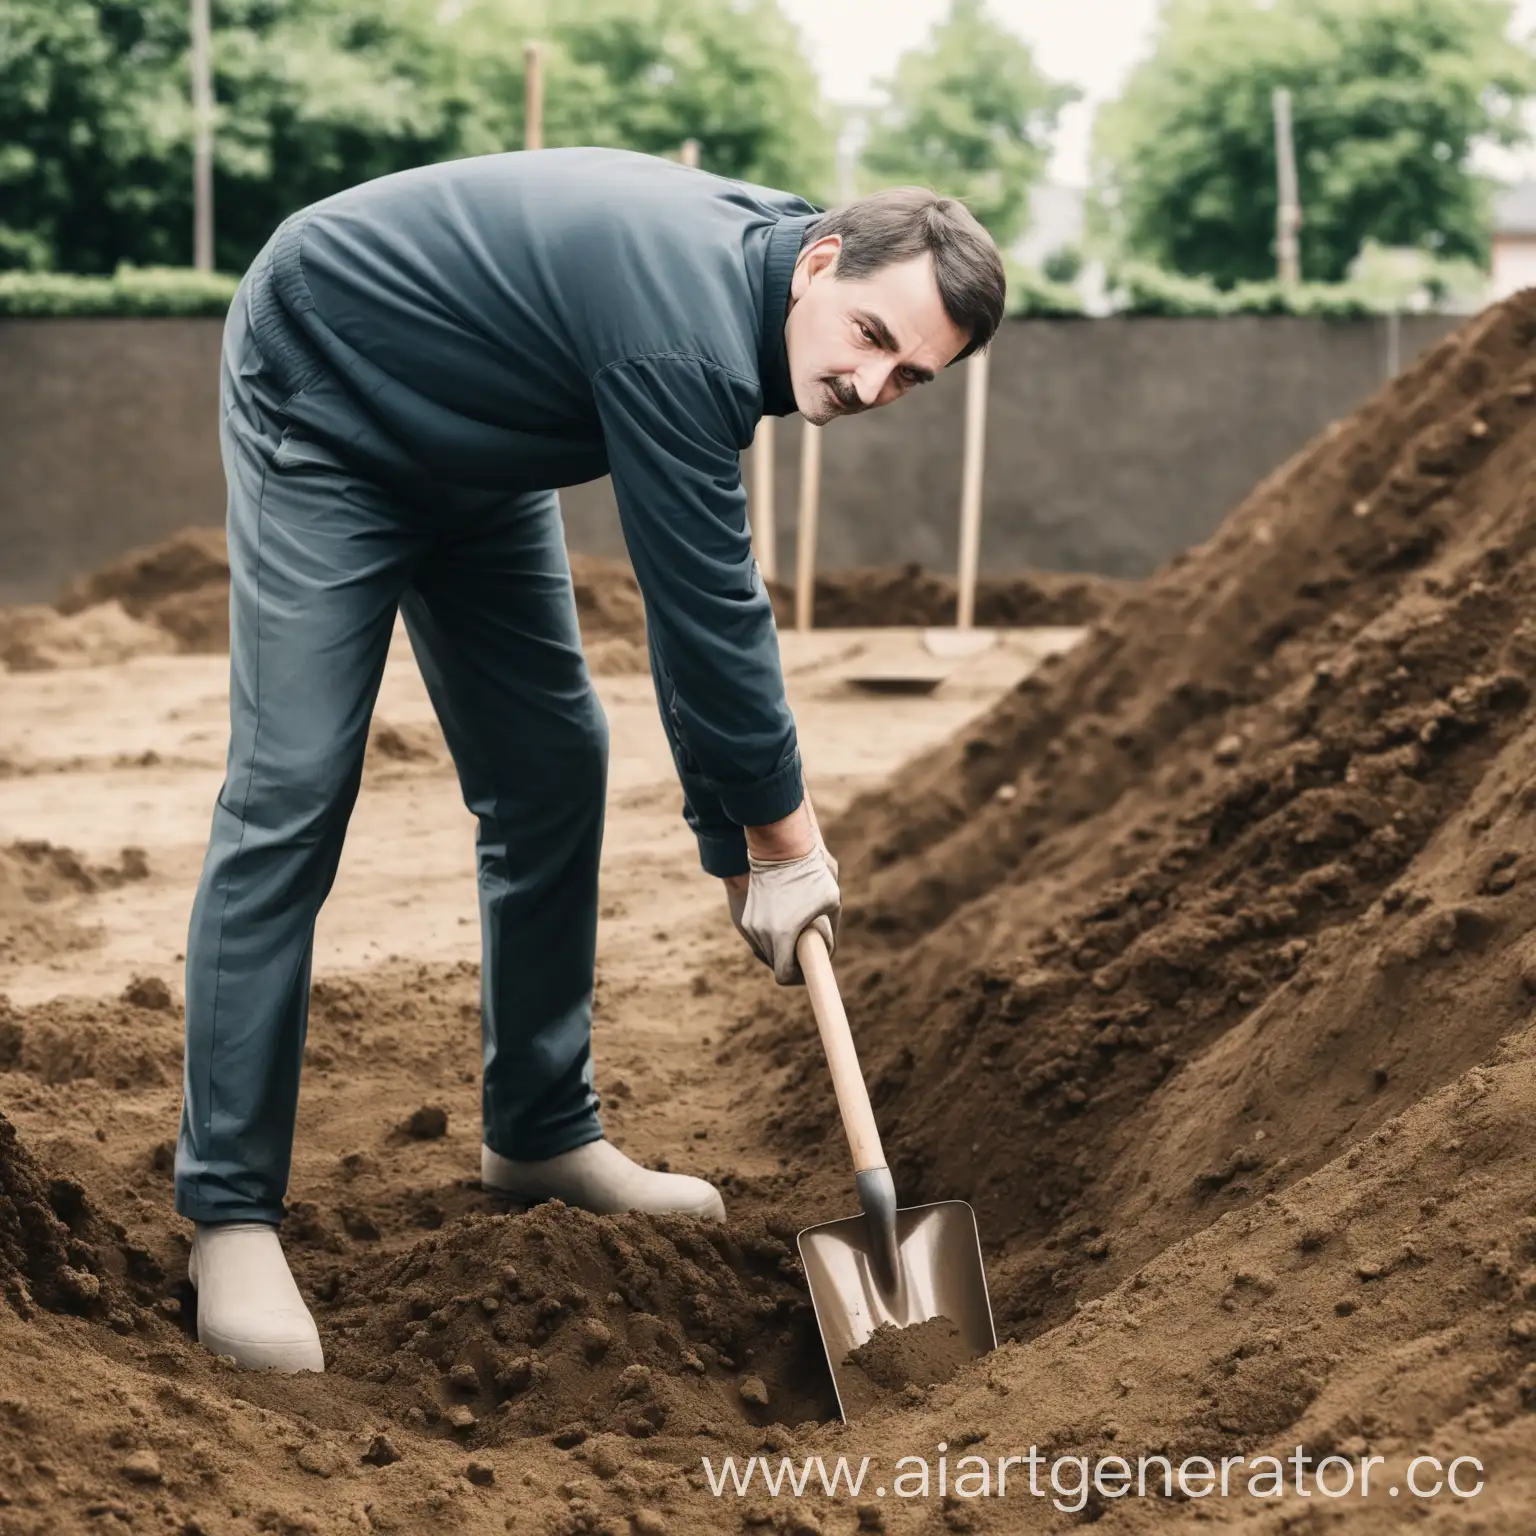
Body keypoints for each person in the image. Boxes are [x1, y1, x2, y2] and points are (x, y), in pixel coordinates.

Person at [175, 146, 1005, 1372]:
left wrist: (738, 855)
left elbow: (697, 646)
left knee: (552, 759)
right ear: (821, 261)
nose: (871, 380)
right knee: (294, 784)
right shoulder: (687, 330)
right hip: (331, 399)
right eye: (872, 334)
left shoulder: (776, 284)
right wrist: (783, 843)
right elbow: (707, 615)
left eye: (910, 375)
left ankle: (541, 1130)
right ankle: (228, 1211)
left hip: (484, 439)